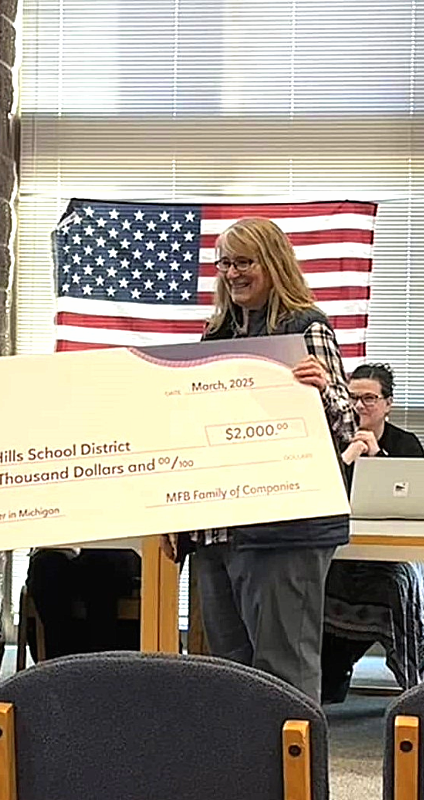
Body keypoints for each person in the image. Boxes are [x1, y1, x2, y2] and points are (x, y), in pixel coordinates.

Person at [160, 217, 357, 700]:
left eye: (244, 261)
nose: (232, 272)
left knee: (283, 669)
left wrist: (325, 391)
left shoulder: (304, 328)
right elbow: (193, 436)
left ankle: (295, 774)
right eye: (225, 262)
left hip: (284, 530)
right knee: (230, 675)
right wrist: (174, 514)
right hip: (214, 529)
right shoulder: (215, 336)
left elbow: (349, 429)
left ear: (273, 263)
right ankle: (244, 774)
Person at [322, 363, 424, 702]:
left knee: (399, 583)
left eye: (369, 398)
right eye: (353, 398)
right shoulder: (331, 438)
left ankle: (413, 686)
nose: (360, 406)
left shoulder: (406, 444)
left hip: (387, 559)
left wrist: (377, 457)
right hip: (340, 553)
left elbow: (412, 502)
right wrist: (348, 455)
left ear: (388, 403)